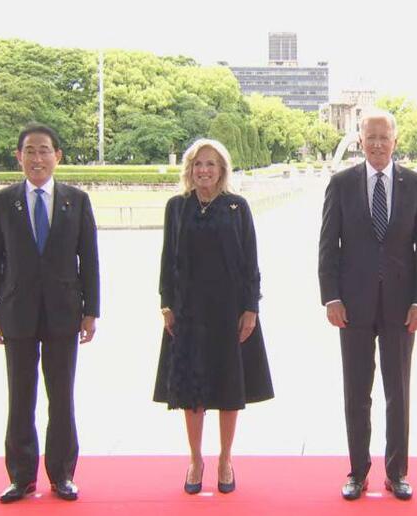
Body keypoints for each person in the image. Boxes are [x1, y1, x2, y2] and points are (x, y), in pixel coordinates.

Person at [318, 110, 417, 501]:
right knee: (356, 391)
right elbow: (327, 247)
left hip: (403, 308)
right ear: (360, 141)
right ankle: (357, 472)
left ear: (395, 141)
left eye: (384, 138)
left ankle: (397, 472)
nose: (378, 144)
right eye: (371, 138)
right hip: (352, 307)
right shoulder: (341, 184)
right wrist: (331, 297)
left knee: (398, 392)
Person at [0, 123, 100, 503]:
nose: (37, 158)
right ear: (18, 156)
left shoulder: (76, 200)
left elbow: (90, 260)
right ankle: (21, 476)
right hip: (16, 313)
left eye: (44, 150)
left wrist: (91, 310)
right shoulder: (3, 201)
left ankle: (62, 474)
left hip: (65, 312)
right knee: (20, 396)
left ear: (57, 156)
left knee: (61, 396)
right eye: (29, 151)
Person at [153, 138, 274, 495]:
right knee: (192, 389)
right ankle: (195, 459)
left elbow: (250, 261)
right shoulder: (176, 207)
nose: (203, 170)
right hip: (188, 311)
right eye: (197, 164)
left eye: (211, 164)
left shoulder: (237, 207)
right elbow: (166, 259)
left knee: (227, 385)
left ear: (222, 170)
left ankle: (225, 459)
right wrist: (166, 304)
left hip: (229, 311)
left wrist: (251, 308)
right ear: (189, 170)